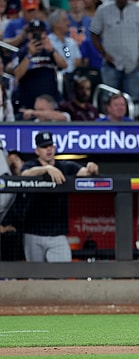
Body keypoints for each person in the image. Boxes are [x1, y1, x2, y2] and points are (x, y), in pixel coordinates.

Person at [21, 131, 99, 262]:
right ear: (37, 151)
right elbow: (24, 174)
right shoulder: (31, 166)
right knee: (35, 277)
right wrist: (47, 169)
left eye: (50, 146)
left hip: (57, 233)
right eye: (44, 147)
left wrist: (92, 167)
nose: (49, 149)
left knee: (62, 274)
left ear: (55, 148)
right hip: (33, 232)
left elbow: (85, 173)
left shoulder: (65, 166)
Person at [90, 0, 139, 103]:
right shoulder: (103, 10)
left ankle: (131, 119)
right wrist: (104, 54)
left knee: (133, 101)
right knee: (109, 100)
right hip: (111, 64)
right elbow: (94, 33)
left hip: (134, 65)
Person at [11, 19, 67, 111]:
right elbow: (17, 74)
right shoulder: (22, 52)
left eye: (40, 32)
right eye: (33, 32)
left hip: (50, 99)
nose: (36, 35)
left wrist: (51, 50)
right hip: (28, 100)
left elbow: (64, 65)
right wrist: (29, 55)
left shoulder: (50, 50)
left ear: (44, 33)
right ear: (29, 34)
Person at [0, 150, 25, 261]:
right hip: (10, 236)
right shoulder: (4, 183)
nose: (13, 163)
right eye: (9, 161)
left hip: (31, 232)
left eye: (16, 159)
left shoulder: (31, 180)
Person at [48, 9, 83, 76]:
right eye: (65, 20)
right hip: (57, 77)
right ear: (56, 24)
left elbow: (78, 60)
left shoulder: (71, 42)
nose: (68, 23)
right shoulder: (48, 42)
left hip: (73, 76)